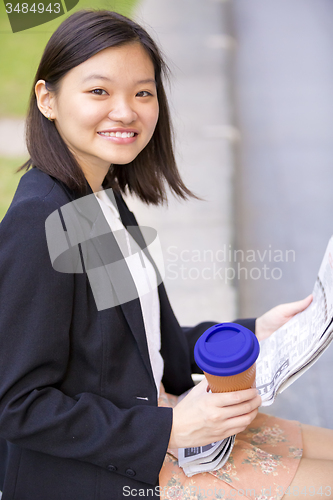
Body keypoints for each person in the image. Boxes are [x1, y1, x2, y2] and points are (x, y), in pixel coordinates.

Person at [0, 9, 331, 500]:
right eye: (98, 91)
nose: (126, 110)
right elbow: (17, 405)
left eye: (143, 92)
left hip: (163, 430)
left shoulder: (95, 200)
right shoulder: (40, 220)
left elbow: (134, 344)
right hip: (105, 473)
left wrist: (253, 332)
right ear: (47, 99)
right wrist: (170, 429)